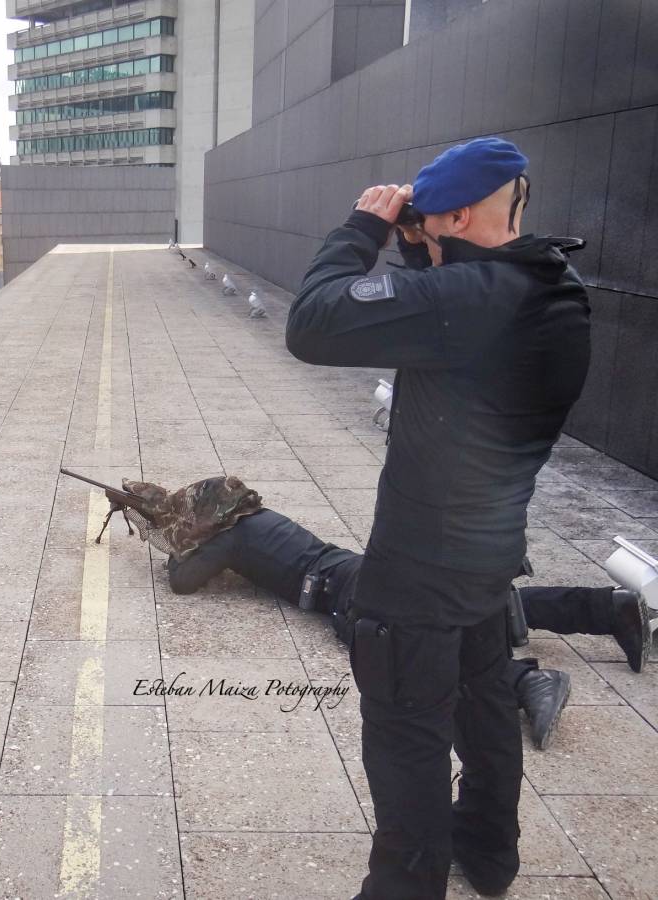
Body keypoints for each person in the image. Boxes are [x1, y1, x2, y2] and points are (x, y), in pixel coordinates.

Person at [286, 138, 591, 899]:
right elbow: (457, 340)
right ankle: (488, 852)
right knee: (486, 706)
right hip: (489, 553)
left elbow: (313, 325)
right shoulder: (550, 282)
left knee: (406, 733)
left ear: (455, 212)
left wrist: (362, 230)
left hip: (420, 572)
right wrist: (427, 255)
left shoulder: (471, 301)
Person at [165, 505, 651, 749]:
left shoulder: (228, 538)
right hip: (353, 572)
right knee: (466, 610)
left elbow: (183, 582)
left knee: (413, 650)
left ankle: (525, 680)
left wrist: (173, 546)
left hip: (348, 592)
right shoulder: (256, 516)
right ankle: (607, 609)